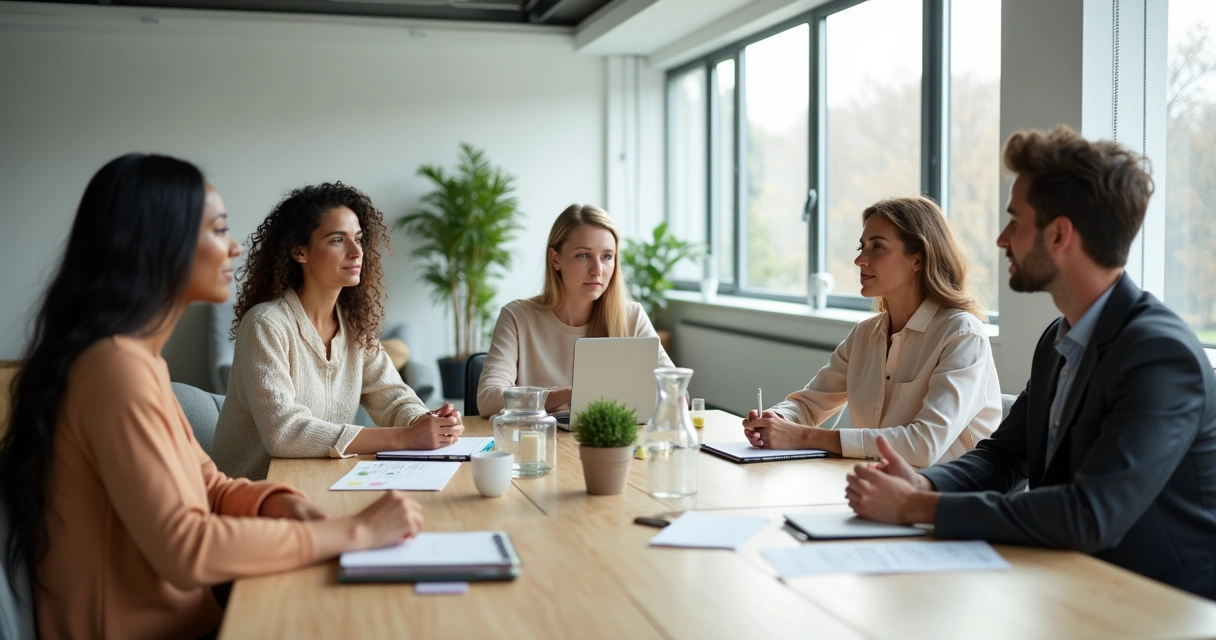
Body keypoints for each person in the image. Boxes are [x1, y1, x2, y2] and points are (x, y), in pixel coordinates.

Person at [0, 155, 427, 640]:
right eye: (218, 229)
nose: (236, 247)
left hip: (192, 614)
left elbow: (214, 488)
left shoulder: (138, 362)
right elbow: (186, 548)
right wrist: (354, 532)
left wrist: (282, 504)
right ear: (159, 242)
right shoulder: (113, 370)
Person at [846, 126, 1216, 600]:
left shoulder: (1159, 355)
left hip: (1158, 604)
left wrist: (920, 506)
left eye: (1015, 221)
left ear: (1059, 234)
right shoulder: (1058, 339)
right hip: (1066, 581)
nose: (1002, 239)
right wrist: (922, 481)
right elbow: (1003, 456)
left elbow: (1089, 514)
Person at [211, 183, 462, 481]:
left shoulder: (355, 329)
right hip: (253, 495)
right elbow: (284, 433)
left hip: (324, 482)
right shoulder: (266, 324)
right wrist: (405, 437)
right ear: (300, 252)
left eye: (358, 239)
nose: (357, 252)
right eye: (337, 240)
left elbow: (393, 399)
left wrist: (428, 422)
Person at [742, 196, 1001, 467]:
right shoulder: (865, 334)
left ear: (918, 259)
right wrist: (776, 420)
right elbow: (809, 404)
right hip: (878, 484)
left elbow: (924, 445)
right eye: (861, 246)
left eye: (877, 246)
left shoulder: (962, 335)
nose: (859, 260)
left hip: (947, 498)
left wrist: (802, 436)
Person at [477, 204, 673, 416]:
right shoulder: (517, 317)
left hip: (612, 443)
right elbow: (489, 399)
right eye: (583, 255)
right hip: (538, 443)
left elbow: (675, 390)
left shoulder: (632, 317)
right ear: (555, 260)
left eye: (607, 256)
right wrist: (571, 394)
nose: (597, 270)